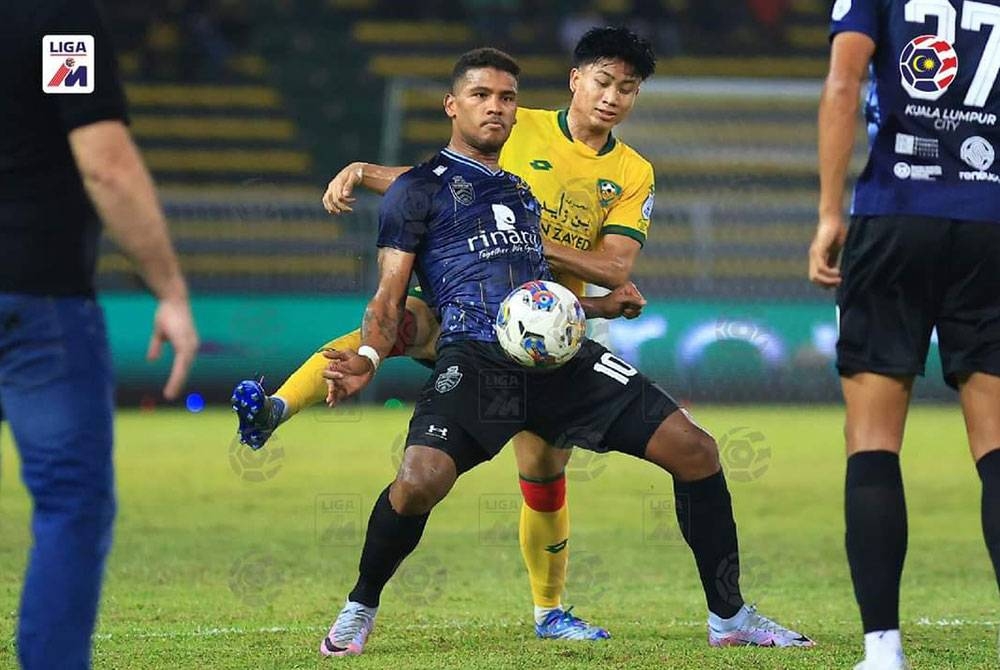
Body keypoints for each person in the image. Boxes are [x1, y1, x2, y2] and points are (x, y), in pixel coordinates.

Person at [309, 46, 812, 657]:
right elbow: (390, 295)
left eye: (506, 98)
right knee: (418, 482)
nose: (496, 108)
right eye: (481, 96)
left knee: (696, 450)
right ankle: (360, 606)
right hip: (477, 360)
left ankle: (729, 617)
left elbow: (530, 281)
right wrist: (367, 352)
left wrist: (599, 307)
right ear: (451, 105)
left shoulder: (522, 194)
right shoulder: (414, 192)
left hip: (561, 358)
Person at [234, 26, 663, 640]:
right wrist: (366, 171)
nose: (612, 98)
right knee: (396, 323)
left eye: (627, 89)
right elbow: (441, 180)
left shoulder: (632, 171)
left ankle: (548, 610)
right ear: (576, 80)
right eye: (603, 82)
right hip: (468, 299)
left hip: (544, 320)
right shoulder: (518, 124)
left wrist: (560, 268)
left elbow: (616, 265)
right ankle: (278, 407)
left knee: (544, 468)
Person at [1, 2, 199, 668]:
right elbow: (106, 166)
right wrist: (169, 289)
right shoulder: (59, 21)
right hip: (36, 302)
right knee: (68, 503)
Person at [808, 2, 1000, 669]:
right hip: (990, 223)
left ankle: (883, 650)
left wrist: (831, 213)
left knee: (872, 439)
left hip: (896, 212)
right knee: (997, 440)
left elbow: (842, 85)